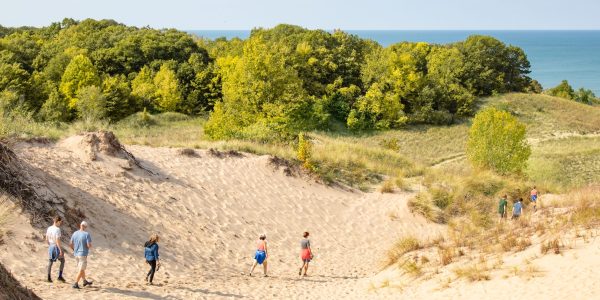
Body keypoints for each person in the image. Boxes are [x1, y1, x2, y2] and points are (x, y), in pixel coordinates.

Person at [70, 221, 93, 289]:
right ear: (85, 227)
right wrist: (90, 247)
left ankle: (84, 281)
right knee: (81, 269)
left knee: (81, 269)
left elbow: (71, 244)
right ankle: (76, 283)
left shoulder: (75, 233)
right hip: (83, 254)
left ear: (80, 225)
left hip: (76, 254)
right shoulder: (86, 234)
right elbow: (88, 245)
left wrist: (74, 250)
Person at [46, 216, 66, 283]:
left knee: (50, 262)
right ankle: (60, 276)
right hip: (56, 246)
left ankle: (48, 277)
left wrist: (49, 245)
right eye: (60, 222)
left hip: (51, 246)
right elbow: (57, 240)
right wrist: (60, 249)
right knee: (62, 260)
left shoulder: (49, 228)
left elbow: (46, 239)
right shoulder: (57, 229)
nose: (60, 223)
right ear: (58, 221)